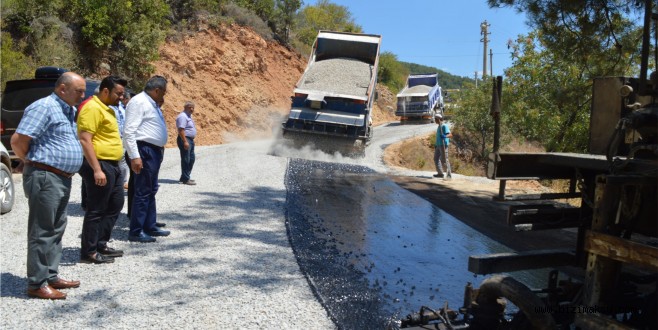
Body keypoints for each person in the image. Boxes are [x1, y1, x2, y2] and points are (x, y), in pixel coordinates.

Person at [10, 72, 86, 299]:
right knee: (42, 231)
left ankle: (50, 275)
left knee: (56, 228)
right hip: (46, 176)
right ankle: (37, 283)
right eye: (79, 91)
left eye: (84, 91)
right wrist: (30, 162)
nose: (83, 96)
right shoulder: (43, 107)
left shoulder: (68, 110)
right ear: (62, 89)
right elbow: (18, 141)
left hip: (61, 177)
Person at [77, 75, 127, 264]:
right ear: (106, 91)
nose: (121, 97)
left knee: (115, 204)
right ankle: (88, 252)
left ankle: (100, 244)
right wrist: (97, 169)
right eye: (118, 93)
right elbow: (85, 139)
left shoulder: (108, 109)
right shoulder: (92, 107)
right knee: (96, 209)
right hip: (99, 164)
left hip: (113, 165)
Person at [123, 75, 170, 243]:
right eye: (163, 91)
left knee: (151, 189)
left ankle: (149, 225)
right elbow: (129, 131)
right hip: (144, 150)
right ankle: (136, 230)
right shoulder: (139, 102)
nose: (165, 95)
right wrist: (135, 156)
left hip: (153, 150)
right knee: (143, 191)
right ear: (157, 90)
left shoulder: (151, 103)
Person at [176, 101, 197, 185]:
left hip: (189, 140)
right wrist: (185, 141)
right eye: (190, 107)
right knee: (186, 159)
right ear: (185, 107)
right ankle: (185, 179)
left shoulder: (189, 116)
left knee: (191, 158)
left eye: (193, 107)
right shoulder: (183, 116)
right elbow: (181, 130)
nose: (192, 109)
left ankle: (185, 177)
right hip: (185, 139)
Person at [433, 114, 453, 180]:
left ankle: (449, 175)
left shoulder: (444, 126)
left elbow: (450, 135)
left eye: (435, 119)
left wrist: (445, 136)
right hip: (438, 145)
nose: (435, 120)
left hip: (443, 145)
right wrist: (436, 145)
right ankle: (440, 173)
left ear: (438, 119)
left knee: (444, 160)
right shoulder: (439, 126)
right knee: (436, 159)